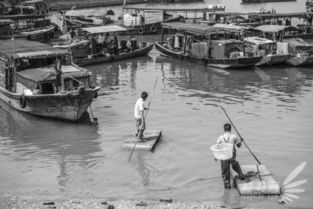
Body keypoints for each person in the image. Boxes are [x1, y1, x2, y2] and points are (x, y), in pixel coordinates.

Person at [216, 123, 245, 189]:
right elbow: (238, 146)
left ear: (224, 129)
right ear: (230, 129)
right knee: (234, 164)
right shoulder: (234, 136)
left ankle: (227, 186)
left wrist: (216, 156)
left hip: (224, 156)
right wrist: (241, 141)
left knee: (225, 170)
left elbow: (217, 147)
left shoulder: (221, 137)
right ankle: (241, 174)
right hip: (232, 154)